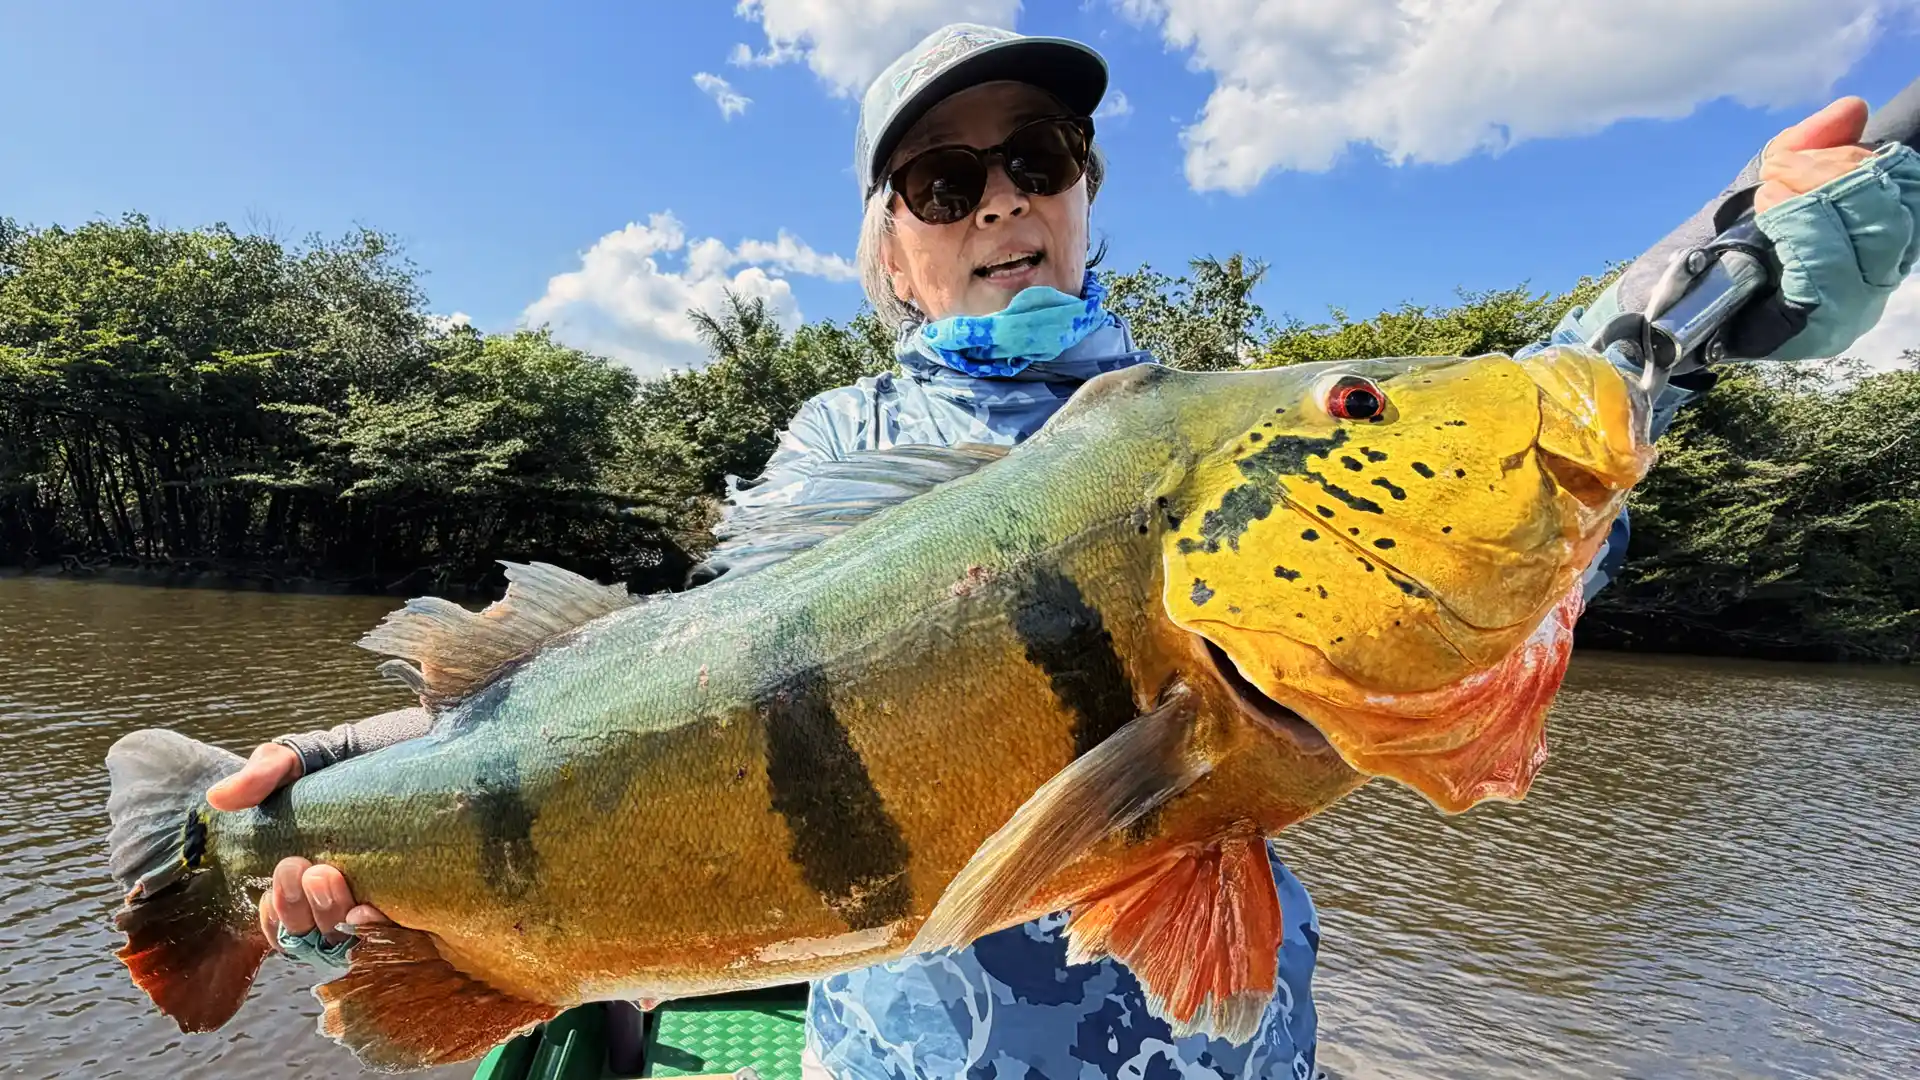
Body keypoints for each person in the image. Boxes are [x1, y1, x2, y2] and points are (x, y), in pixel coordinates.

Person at [205, 23, 1920, 1080]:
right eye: (941, 185)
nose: (998, 201)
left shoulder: (1215, 426)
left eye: (1034, 159)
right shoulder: (830, 456)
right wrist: (343, 775)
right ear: (885, 254)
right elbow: (649, 688)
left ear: (1089, 195)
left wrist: (1724, 262)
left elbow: (1489, 473)